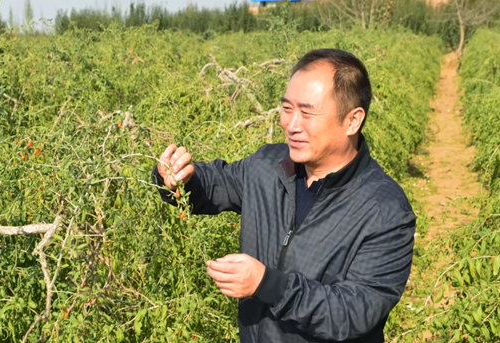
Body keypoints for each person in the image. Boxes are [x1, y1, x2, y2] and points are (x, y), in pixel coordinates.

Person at [152, 48, 415, 343]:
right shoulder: (269, 167)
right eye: (287, 109)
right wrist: (180, 179)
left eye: (307, 112)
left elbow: (353, 312)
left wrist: (269, 285)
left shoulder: (385, 210)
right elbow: (214, 184)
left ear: (352, 120)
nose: (291, 125)